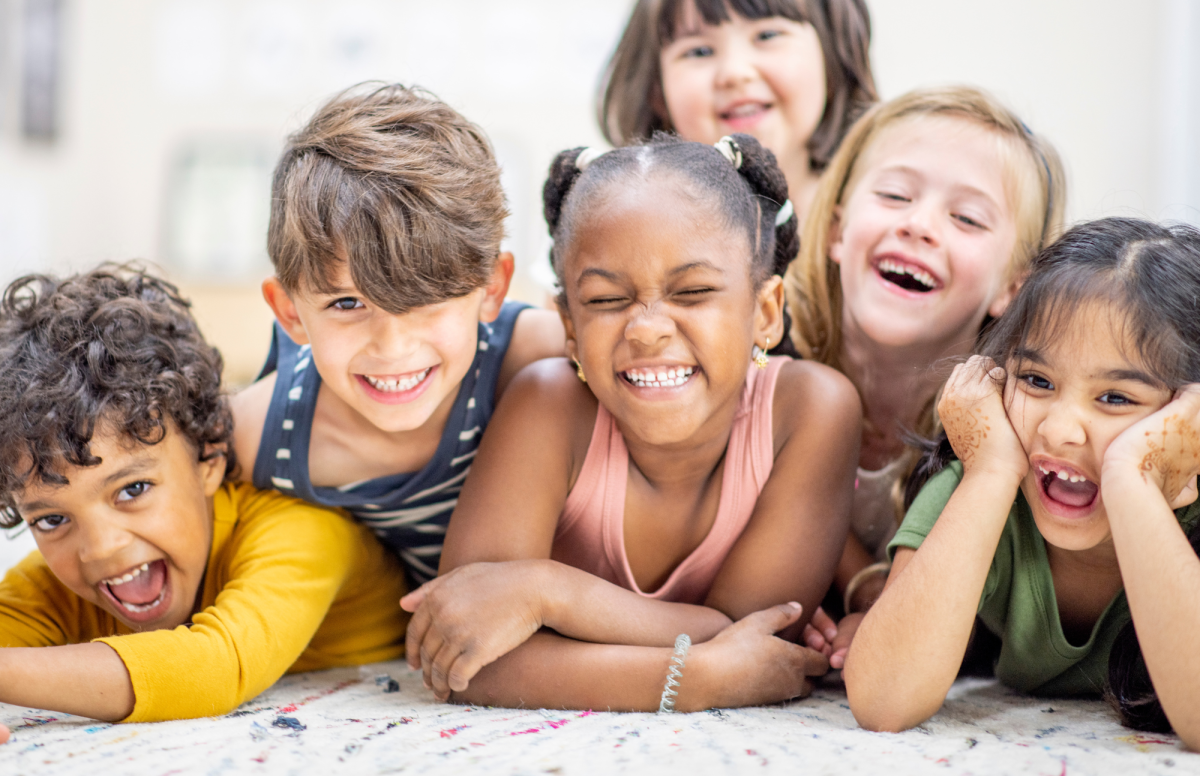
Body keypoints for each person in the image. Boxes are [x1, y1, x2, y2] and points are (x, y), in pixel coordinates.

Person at [400, 133, 861, 712]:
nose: (646, 328)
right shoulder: (548, 406)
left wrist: (550, 594)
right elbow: (463, 650)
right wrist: (693, 679)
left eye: (692, 292)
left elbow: (757, 635)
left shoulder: (812, 410)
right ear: (568, 326)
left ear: (765, 313)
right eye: (605, 300)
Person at [0, 266, 408, 738]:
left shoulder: (302, 527)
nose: (101, 548)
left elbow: (215, 666)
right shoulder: (61, 584)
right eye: (52, 519)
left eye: (132, 490)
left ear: (208, 456)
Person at [844, 218, 1200, 746]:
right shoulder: (983, 481)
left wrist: (1133, 483)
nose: (1058, 430)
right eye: (1036, 381)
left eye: (1115, 398)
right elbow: (882, 700)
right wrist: (989, 474)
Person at [230, 84, 565, 587]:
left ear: (491, 288)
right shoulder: (262, 435)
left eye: (426, 299)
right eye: (347, 303)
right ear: (290, 312)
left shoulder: (537, 357)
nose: (392, 347)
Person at [782, 86, 1066, 667]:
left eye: (966, 218)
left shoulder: (1006, 423)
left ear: (1014, 284)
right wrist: (861, 582)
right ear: (837, 230)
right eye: (894, 195)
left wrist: (880, 602)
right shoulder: (767, 353)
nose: (919, 225)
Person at [598, 0, 875, 231]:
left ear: (833, 57)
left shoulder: (877, 223)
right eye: (699, 51)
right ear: (656, 92)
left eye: (767, 35)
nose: (734, 72)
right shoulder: (632, 235)